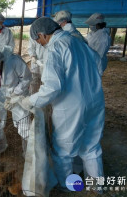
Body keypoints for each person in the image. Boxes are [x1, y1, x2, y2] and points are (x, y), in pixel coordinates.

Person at [19, 17, 105, 190]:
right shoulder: (78, 41)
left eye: (38, 40)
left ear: (42, 35)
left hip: (72, 106)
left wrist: (30, 101)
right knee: (91, 146)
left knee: (63, 150)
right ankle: (97, 187)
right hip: (95, 99)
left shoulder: (55, 48)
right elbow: (99, 64)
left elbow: (53, 87)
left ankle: (69, 186)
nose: (40, 44)